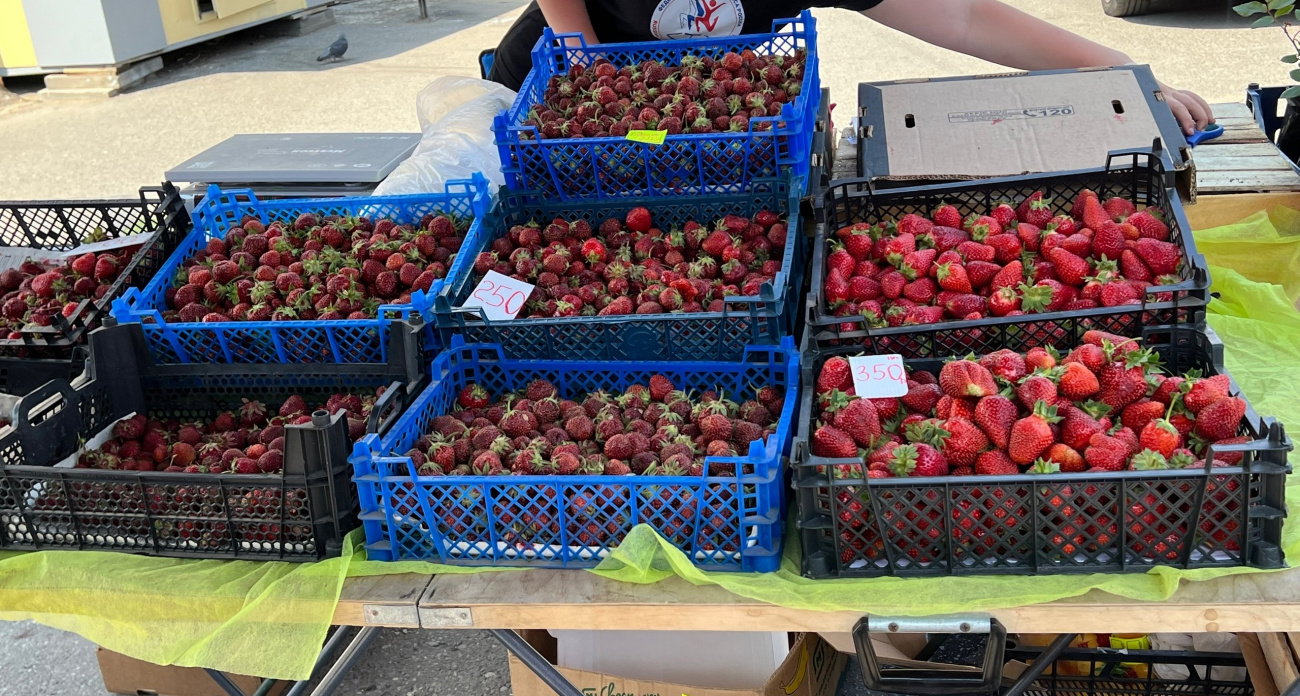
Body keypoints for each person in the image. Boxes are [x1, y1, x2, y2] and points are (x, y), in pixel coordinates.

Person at [487, 0, 1213, 135]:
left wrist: (1121, 71)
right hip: (555, 105)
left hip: (700, 123)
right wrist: (586, 71)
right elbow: (578, 58)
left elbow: (962, 15)